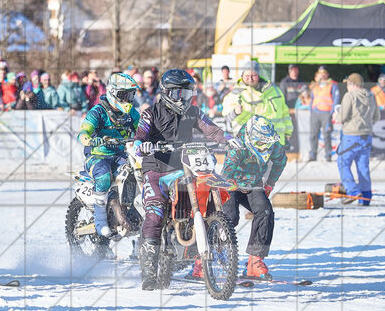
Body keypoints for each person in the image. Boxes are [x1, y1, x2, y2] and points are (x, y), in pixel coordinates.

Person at [133, 69, 227, 290]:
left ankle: (212, 242)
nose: (182, 99)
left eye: (187, 94)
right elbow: (140, 137)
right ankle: (148, 271)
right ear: (166, 92)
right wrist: (143, 145)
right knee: (155, 213)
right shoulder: (151, 114)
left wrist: (228, 139)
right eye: (178, 94)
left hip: (185, 166)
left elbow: (211, 129)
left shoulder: (193, 112)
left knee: (209, 194)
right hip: (157, 169)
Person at [217, 115, 286, 280]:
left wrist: (270, 183)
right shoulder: (238, 146)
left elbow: (281, 161)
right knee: (230, 217)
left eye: (267, 144)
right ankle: (208, 257)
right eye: (261, 144)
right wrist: (232, 185)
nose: (265, 147)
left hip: (253, 184)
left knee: (265, 211)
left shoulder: (274, 145)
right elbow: (227, 173)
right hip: (231, 184)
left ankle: (255, 261)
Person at [76, 73, 140, 237]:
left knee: (140, 169)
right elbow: (84, 131)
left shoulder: (131, 113)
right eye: (123, 95)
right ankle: (100, 220)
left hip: (121, 154)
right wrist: (89, 139)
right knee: (104, 176)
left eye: (131, 95)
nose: (127, 99)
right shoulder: (98, 111)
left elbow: (143, 130)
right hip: (97, 155)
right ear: (112, 92)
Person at [222, 60, 293, 145]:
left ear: (258, 75)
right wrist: (235, 112)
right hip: (250, 145)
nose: (250, 79)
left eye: (254, 75)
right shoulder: (236, 94)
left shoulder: (274, 90)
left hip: (276, 143)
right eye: (247, 75)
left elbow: (285, 113)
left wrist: (288, 133)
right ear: (242, 76)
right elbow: (226, 118)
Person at [336, 73, 380, 205]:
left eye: (348, 84)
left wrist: (336, 115)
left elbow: (342, 117)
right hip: (366, 136)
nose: (347, 87)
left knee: (343, 163)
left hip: (351, 135)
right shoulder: (371, 96)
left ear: (353, 84)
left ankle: (353, 192)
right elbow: (376, 116)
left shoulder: (350, 96)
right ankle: (366, 197)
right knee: (363, 167)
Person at [306, 66, 338, 162]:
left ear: (327, 74)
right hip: (315, 112)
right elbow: (311, 98)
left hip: (326, 113)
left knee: (327, 134)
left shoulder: (332, 85)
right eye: (320, 72)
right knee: (313, 135)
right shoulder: (314, 85)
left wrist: (331, 112)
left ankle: (328, 155)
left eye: (324, 72)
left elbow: (335, 99)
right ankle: (313, 155)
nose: (322, 74)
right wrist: (311, 109)